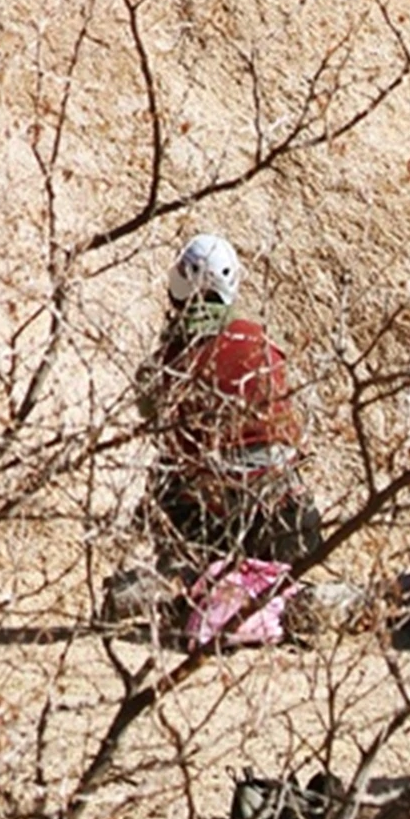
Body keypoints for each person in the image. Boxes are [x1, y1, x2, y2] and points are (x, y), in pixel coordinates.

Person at [140, 234, 323, 597]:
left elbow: (156, 424)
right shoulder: (262, 342)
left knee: (162, 477)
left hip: (208, 513)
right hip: (283, 512)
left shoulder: (169, 361)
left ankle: (183, 579)